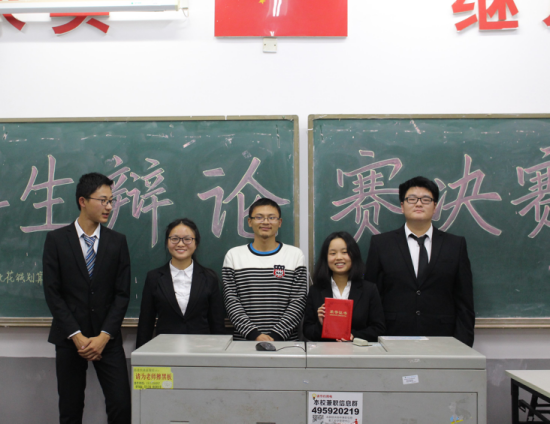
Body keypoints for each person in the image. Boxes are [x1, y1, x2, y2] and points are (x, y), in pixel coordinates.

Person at [43, 172, 131, 424]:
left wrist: (104, 336)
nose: (109, 207)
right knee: (70, 409)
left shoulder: (117, 242)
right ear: (83, 201)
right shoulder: (57, 240)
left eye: (111, 201)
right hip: (70, 338)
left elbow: (122, 294)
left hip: (107, 339)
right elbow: (52, 292)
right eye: (103, 200)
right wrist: (76, 335)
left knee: (121, 405)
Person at [364, 176, 475, 347]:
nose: (418, 204)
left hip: (443, 339)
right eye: (412, 199)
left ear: (435, 207)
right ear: (402, 206)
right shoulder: (381, 244)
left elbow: (464, 301)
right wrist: (372, 340)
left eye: (425, 199)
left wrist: (463, 345)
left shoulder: (455, 245)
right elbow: (371, 297)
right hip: (392, 337)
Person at [222, 198, 307, 341]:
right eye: (259, 217)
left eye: (271, 217)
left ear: (280, 222)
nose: (266, 222)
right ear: (250, 222)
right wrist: (254, 335)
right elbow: (231, 300)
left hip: (285, 344)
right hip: (244, 343)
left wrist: (276, 336)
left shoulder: (295, 255)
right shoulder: (234, 256)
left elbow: (298, 301)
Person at [136, 218, 226, 349]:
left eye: (187, 239)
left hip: (202, 349)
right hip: (164, 349)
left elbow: (217, 324)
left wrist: (220, 355)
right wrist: (140, 355)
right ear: (167, 242)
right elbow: (146, 323)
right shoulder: (154, 277)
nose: (180, 244)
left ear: (196, 243)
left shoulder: (209, 278)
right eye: (174, 239)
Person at [303, 231, 385, 342]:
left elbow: (379, 329)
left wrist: (354, 336)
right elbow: (307, 331)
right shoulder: (316, 290)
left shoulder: (369, 290)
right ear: (326, 258)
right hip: (324, 351)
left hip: (357, 351)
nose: (339, 257)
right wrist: (321, 324)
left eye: (345, 252)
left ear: (354, 255)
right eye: (333, 253)